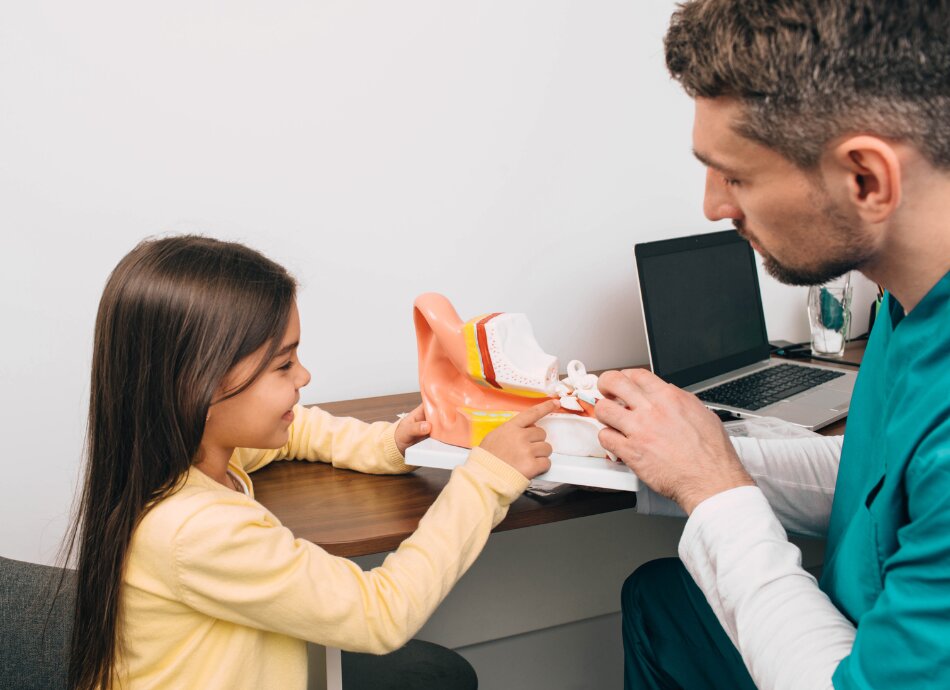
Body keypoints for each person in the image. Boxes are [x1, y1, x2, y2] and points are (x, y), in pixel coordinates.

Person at [593, 2, 950, 688]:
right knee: (664, 603)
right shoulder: (910, 297)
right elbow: (872, 476)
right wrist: (675, 453)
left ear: (866, 180)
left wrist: (713, 484)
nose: (713, 206)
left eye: (736, 175)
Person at [64, 235, 558, 690]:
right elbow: (379, 614)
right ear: (198, 383)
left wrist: (387, 444)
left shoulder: (181, 459)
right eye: (283, 365)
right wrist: (488, 478)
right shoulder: (194, 529)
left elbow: (295, 429)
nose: (304, 375)